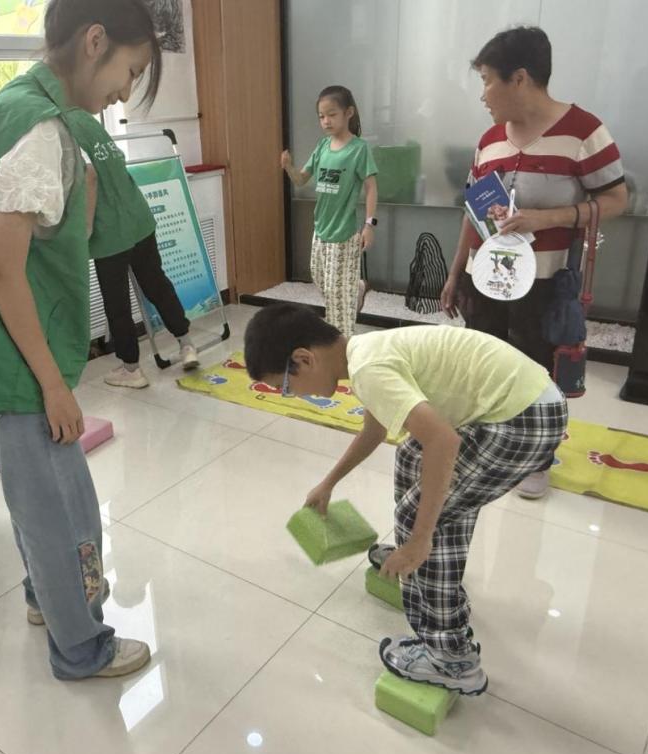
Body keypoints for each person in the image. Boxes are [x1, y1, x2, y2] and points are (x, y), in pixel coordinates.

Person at [0, 0, 160, 680]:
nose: (125, 92)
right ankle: (81, 647)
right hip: (12, 367)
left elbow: (33, 236)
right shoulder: (40, 127)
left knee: (35, 499)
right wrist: (54, 385)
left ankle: (43, 601)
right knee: (65, 515)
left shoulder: (16, 107)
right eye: (131, 71)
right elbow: (2, 271)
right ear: (95, 41)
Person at [243, 303, 567, 695]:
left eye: (285, 387)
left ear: (304, 359)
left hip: (522, 420)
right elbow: (375, 432)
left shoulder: (369, 370)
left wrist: (420, 539)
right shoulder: (364, 353)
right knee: (412, 455)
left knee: (424, 517)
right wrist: (329, 482)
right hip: (529, 403)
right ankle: (425, 564)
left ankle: (452, 660)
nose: (293, 396)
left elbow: (444, 441)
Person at [440, 26, 628, 499]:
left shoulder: (583, 132)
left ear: (519, 78)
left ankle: (535, 459)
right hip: (486, 277)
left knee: (535, 370)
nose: (482, 93)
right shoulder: (489, 141)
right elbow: (473, 211)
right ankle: (486, 445)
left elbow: (616, 199)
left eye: (487, 80)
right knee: (481, 364)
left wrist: (549, 218)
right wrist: (455, 272)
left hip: (543, 281)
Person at [71, 108, 199, 389]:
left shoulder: (61, 126)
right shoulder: (88, 122)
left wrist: (86, 229)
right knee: (157, 284)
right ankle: (186, 344)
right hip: (137, 218)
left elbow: (89, 175)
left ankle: (131, 369)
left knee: (117, 303)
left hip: (109, 230)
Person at [281, 85, 378, 337]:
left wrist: (369, 225)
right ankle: (356, 289)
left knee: (336, 300)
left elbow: (371, 188)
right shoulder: (323, 146)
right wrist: (289, 167)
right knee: (320, 279)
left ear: (349, 113)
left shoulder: (359, 149)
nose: (326, 121)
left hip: (344, 233)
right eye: (321, 116)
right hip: (320, 229)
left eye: (332, 115)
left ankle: (342, 345)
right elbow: (301, 179)